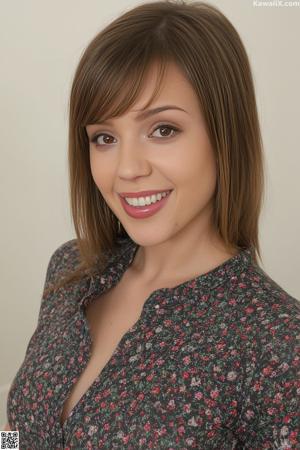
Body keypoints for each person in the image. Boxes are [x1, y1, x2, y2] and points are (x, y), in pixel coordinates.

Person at [5, 0, 299, 448]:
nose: (126, 168)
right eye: (104, 137)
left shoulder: (278, 345)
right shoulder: (71, 269)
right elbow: (18, 430)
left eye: (162, 129)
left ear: (224, 135)